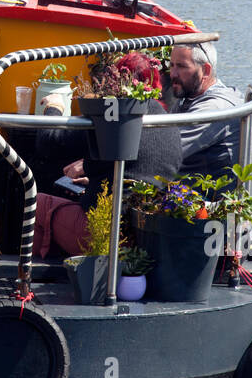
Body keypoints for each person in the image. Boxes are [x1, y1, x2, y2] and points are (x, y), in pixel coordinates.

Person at [32, 52, 183, 259]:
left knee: (37, 204)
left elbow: (49, 142)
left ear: (118, 82)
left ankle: (30, 279)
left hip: (109, 236)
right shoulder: (167, 121)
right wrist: (93, 174)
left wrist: (55, 107)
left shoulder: (117, 118)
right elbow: (138, 165)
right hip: (147, 238)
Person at [169, 42, 242, 174]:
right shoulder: (189, 97)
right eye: (171, 65)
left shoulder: (213, 109)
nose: (173, 74)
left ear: (206, 70)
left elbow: (165, 152)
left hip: (210, 194)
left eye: (181, 67)